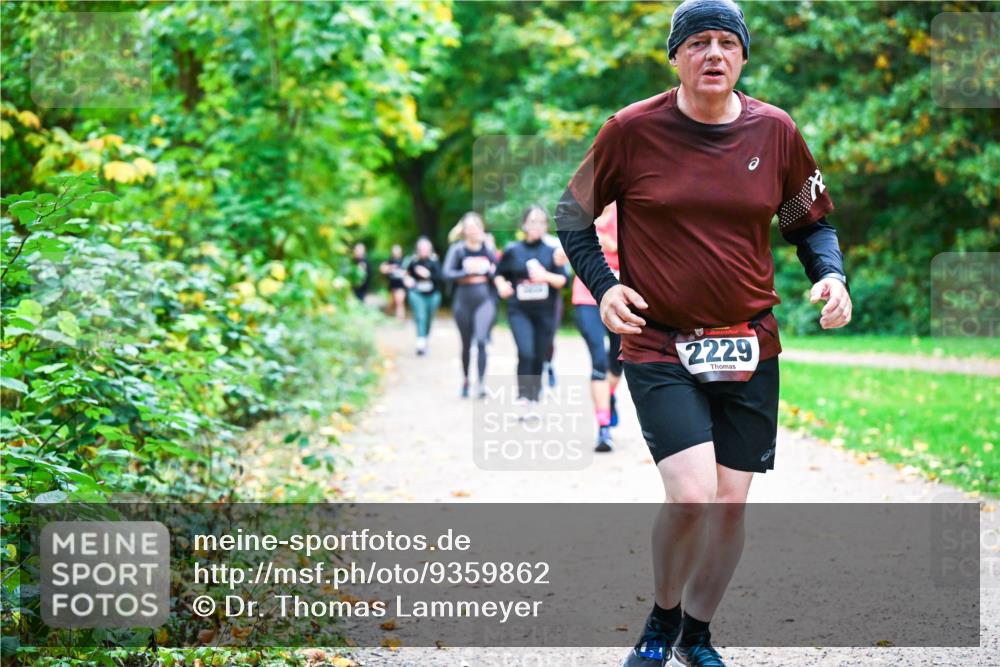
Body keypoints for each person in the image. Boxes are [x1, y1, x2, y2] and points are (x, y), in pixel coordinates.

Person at [555, 1, 852, 665]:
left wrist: (831, 276)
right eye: (698, 43)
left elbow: (809, 222)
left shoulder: (775, 131)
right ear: (676, 57)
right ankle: (661, 619)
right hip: (659, 340)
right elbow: (570, 216)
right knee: (692, 496)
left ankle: (698, 631)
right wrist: (606, 289)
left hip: (750, 341)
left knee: (730, 506)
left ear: (743, 56)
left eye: (726, 42)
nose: (713, 54)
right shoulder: (631, 130)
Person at [494, 205, 569, 415]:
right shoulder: (512, 250)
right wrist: (501, 285)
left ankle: (534, 396)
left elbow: (563, 280)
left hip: (546, 311)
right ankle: (523, 396)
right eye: (533, 221)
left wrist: (545, 276)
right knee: (525, 352)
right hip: (520, 311)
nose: (537, 226)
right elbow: (499, 274)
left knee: (539, 354)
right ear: (524, 224)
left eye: (542, 222)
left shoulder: (553, 252)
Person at [571, 202, 622, 453]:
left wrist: (615, 246)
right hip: (586, 296)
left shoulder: (626, 213)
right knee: (598, 361)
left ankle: (608, 396)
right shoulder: (582, 213)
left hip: (620, 296)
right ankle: (604, 427)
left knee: (617, 362)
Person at [442, 213, 498, 398]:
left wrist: (491, 271)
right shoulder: (458, 250)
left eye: (476, 226)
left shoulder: (487, 249)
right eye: (469, 227)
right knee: (466, 344)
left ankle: (481, 384)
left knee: (482, 340)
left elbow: (498, 270)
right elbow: (447, 273)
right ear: (464, 231)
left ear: (481, 229)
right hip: (463, 300)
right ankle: (466, 380)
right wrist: (466, 271)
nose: (473, 230)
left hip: (484, 300)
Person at [403, 237, 442, 356]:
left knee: (429, 318)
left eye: (426, 248)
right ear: (418, 249)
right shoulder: (412, 261)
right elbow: (405, 274)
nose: (424, 250)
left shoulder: (435, 261)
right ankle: (420, 343)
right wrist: (407, 280)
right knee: (420, 316)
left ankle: (425, 339)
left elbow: (441, 278)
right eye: (421, 248)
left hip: (433, 295)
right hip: (417, 293)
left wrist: (428, 275)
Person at [380, 244, 408, 320]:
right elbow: (382, 269)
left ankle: (400, 319)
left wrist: (404, 273)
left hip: (401, 284)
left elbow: (409, 271)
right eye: (395, 250)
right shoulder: (390, 260)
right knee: (391, 303)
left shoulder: (405, 260)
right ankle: (386, 316)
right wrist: (390, 268)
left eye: (398, 250)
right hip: (392, 284)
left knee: (400, 302)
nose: (396, 252)